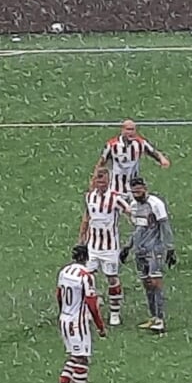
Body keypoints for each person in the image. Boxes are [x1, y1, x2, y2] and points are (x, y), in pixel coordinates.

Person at [77, 166, 134, 326]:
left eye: (103, 181)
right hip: (93, 246)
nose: (100, 184)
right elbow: (86, 218)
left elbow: (129, 211)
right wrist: (81, 239)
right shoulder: (90, 197)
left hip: (110, 247)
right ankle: (90, 309)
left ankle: (114, 313)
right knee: (88, 278)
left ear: (108, 181)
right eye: (98, 181)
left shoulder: (116, 198)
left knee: (112, 278)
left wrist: (138, 222)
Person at [53, 245, 106, 383]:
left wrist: (62, 310)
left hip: (64, 319)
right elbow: (91, 302)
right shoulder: (86, 276)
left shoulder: (65, 271)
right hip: (77, 322)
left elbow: (59, 294)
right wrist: (100, 326)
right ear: (86, 258)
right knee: (82, 359)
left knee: (74, 357)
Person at [127, 178, 175, 334]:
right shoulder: (134, 206)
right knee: (146, 283)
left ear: (145, 188)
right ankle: (153, 316)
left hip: (155, 249)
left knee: (156, 282)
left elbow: (165, 226)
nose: (136, 195)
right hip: (140, 250)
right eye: (134, 192)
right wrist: (127, 247)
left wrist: (170, 248)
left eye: (139, 191)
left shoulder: (155, 204)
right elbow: (138, 229)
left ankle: (160, 318)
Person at [98, 119, 171, 194]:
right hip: (115, 190)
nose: (131, 132)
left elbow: (153, 152)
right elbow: (101, 162)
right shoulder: (112, 145)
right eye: (128, 129)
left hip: (134, 190)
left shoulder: (140, 143)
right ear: (122, 130)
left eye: (133, 129)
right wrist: (96, 180)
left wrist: (162, 159)